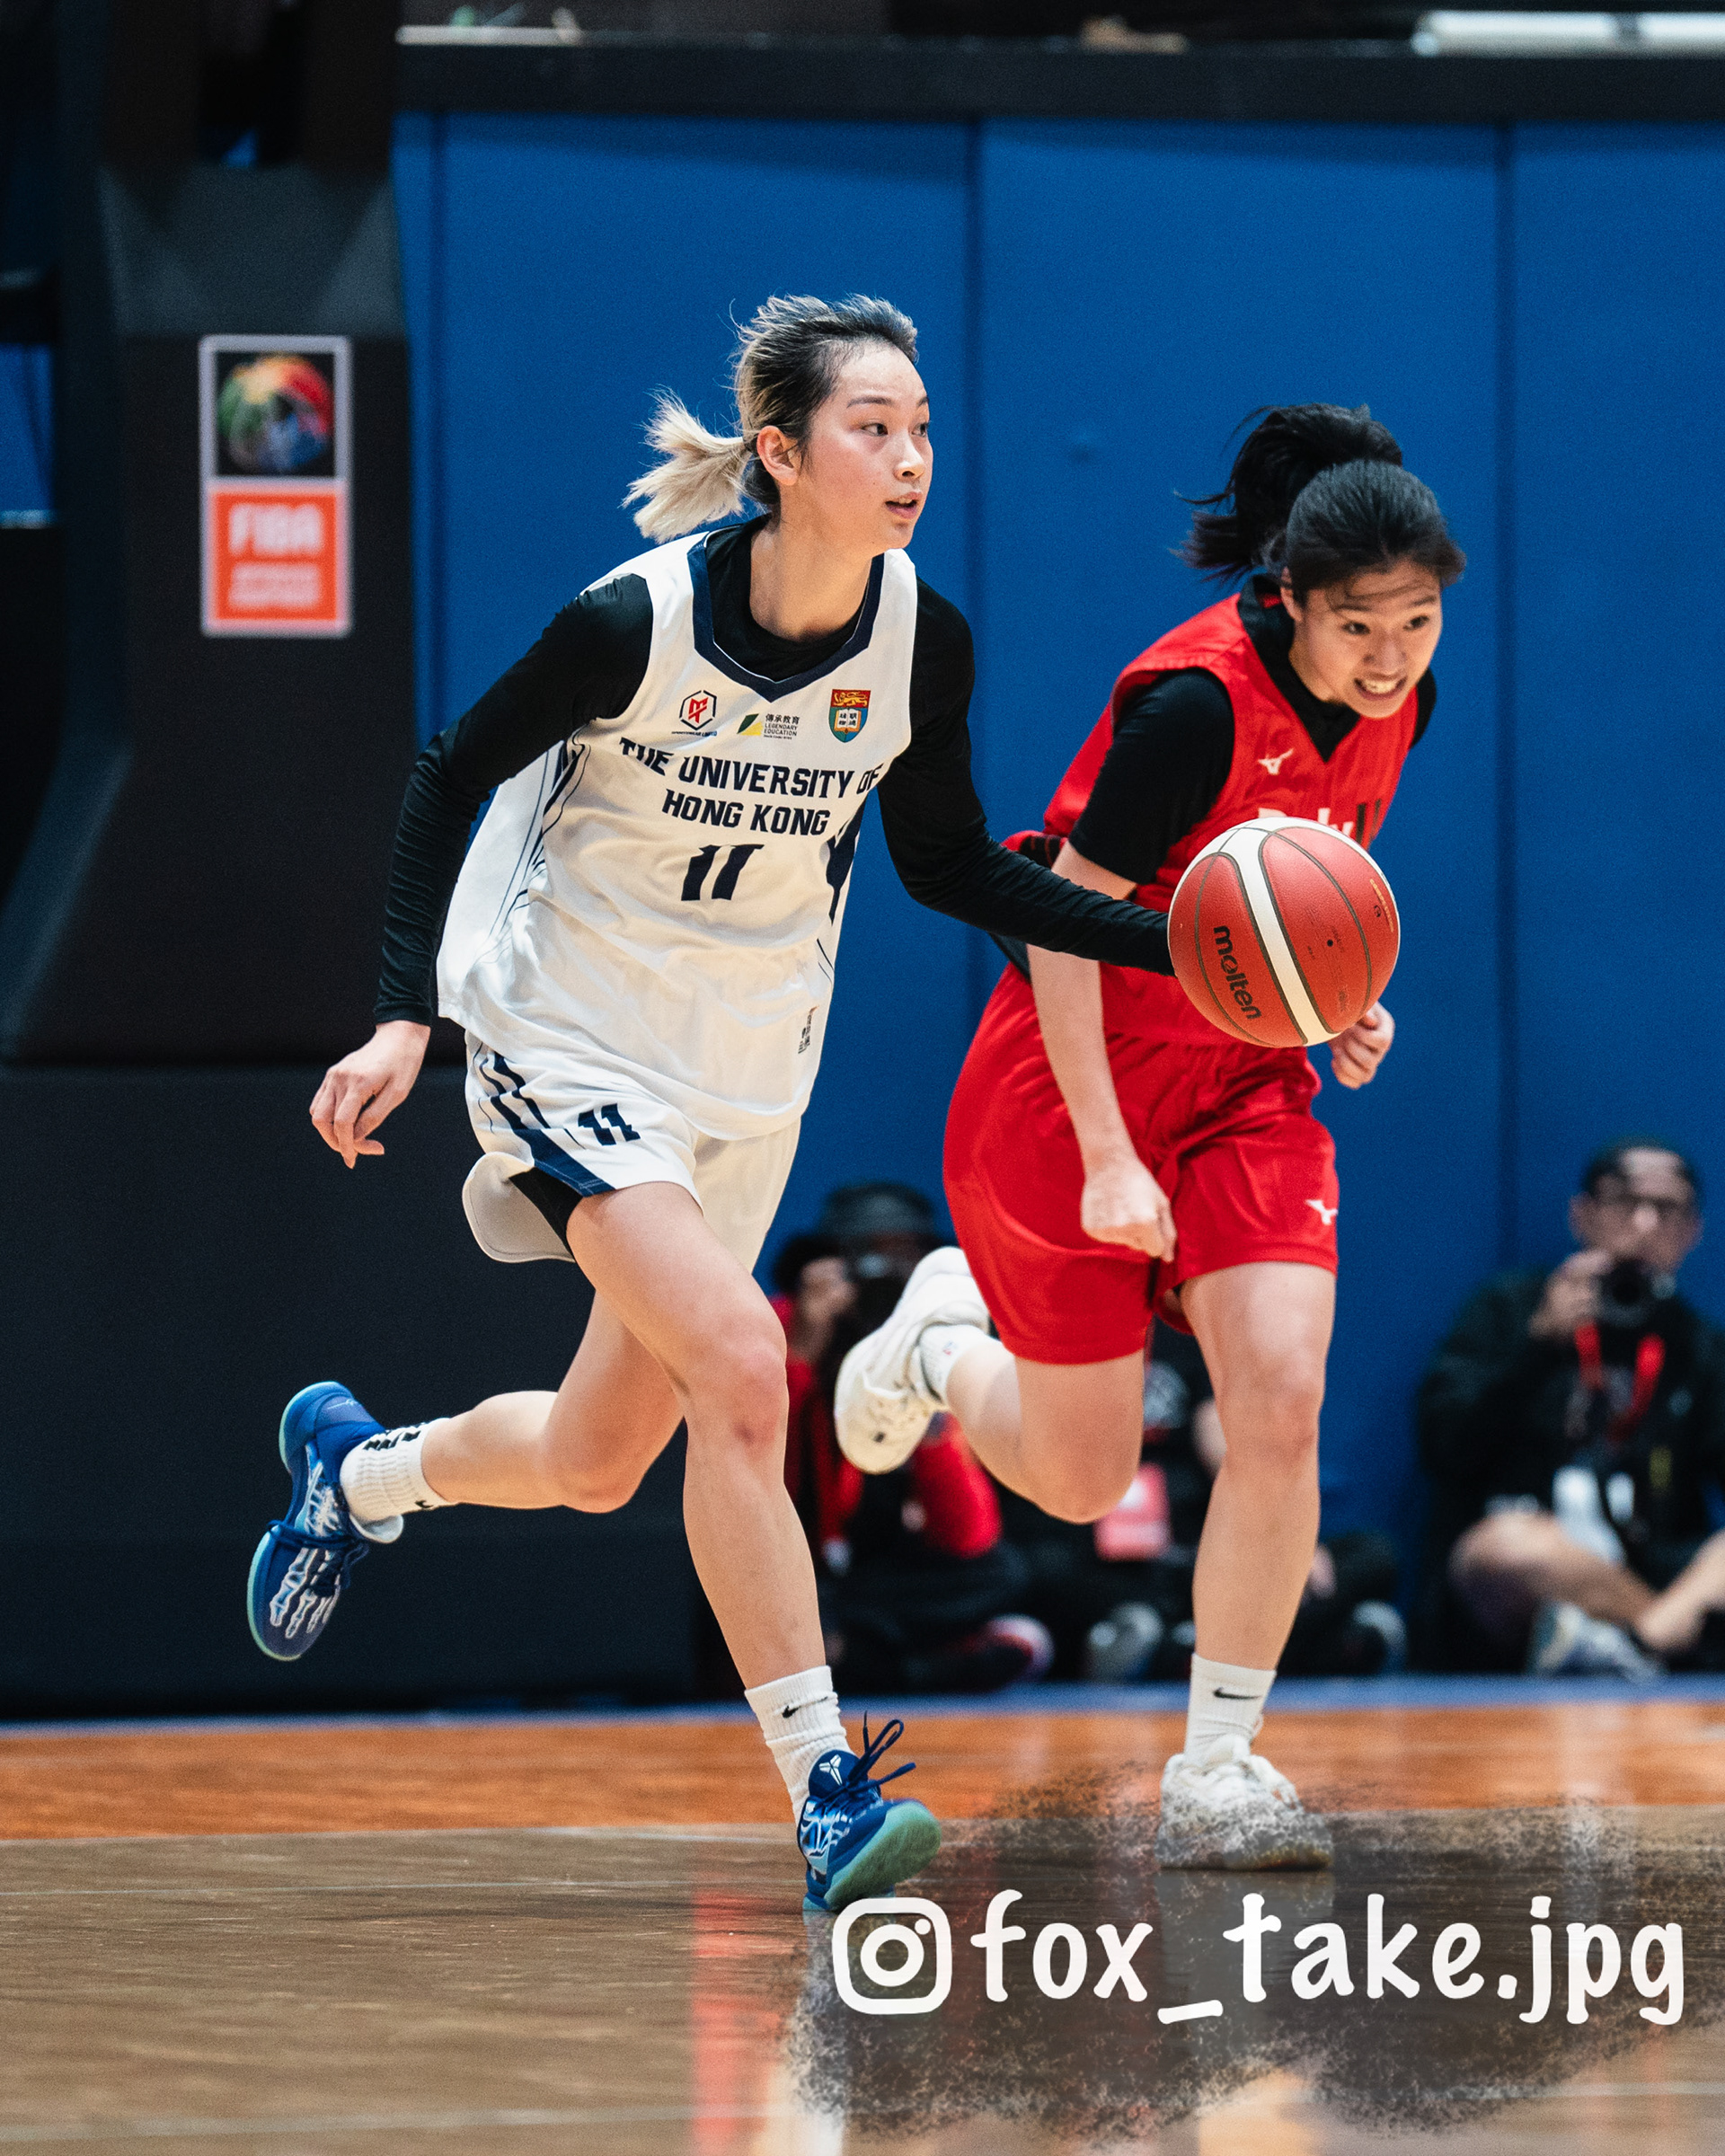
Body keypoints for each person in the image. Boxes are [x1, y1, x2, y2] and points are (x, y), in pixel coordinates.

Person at [243, 293, 1179, 1919]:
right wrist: (405, 1016)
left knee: (601, 1456)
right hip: (572, 1036)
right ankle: (829, 1791)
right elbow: (449, 773)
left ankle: (359, 1474)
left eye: (922, 429)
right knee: (748, 1364)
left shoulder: (921, 641)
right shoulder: (637, 622)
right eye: (874, 428)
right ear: (781, 453)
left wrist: (1186, 949)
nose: (912, 458)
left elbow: (952, 866)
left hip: (749, 1064)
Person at [835, 403, 1464, 1869]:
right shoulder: (1190, 708)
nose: (1391, 657)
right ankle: (937, 1348)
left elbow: (1291, 902)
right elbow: (1064, 926)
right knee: (1078, 1475)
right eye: (1361, 627)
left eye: (1419, 623)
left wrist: (1335, 1004)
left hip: (1245, 1090)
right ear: (1290, 599)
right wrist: (1111, 1153)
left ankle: (1219, 1768)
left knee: (1281, 1400)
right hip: (1076, 1085)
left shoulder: (1402, 703)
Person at [1418, 1141, 1725, 1675]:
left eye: (1667, 1209)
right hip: (1532, 1573)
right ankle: (1660, 1645)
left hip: (1648, 1567)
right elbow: (1444, 1447)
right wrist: (1538, 1346)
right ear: (1581, 1214)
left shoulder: (1695, 1344)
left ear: (1693, 1231)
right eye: (1624, 1202)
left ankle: (1636, 1645)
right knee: (1504, 1547)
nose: (1645, 1224)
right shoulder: (1511, 1309)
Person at [998, 1324, 1404, 1683]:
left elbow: (1223, 1443)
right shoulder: (1047, 1329)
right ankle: (1320, 1645)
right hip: (1107, 1551)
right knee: (1042, 1571)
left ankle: (1179, 1650)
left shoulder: (1184, 1330)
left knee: (1371, 1554)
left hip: (1198, 1550)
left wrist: (1281, 1534)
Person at [774, 1229, 1048, 1695]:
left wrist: (930, 1418)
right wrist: (801, 1355)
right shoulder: (783, 1327)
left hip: (870, 1580)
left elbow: (967, 1536)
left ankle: (858, 1655)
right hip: (789, 1564)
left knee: (999, 1571)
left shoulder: (920, 1342)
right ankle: (931, 1665)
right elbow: (758, 1469)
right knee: (789, 1607)